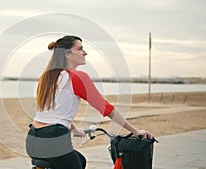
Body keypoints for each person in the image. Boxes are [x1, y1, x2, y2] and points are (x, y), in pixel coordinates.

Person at [26, 35, 151, 169]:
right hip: (54, 138)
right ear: (67, 54)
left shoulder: (48, 76)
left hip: (33, 138)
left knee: (80, 160)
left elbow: (54, 111)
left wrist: (74, 130)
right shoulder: (78, 77)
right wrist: (135, 131)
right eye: (80, 49)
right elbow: (106, 108)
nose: (85, 52)